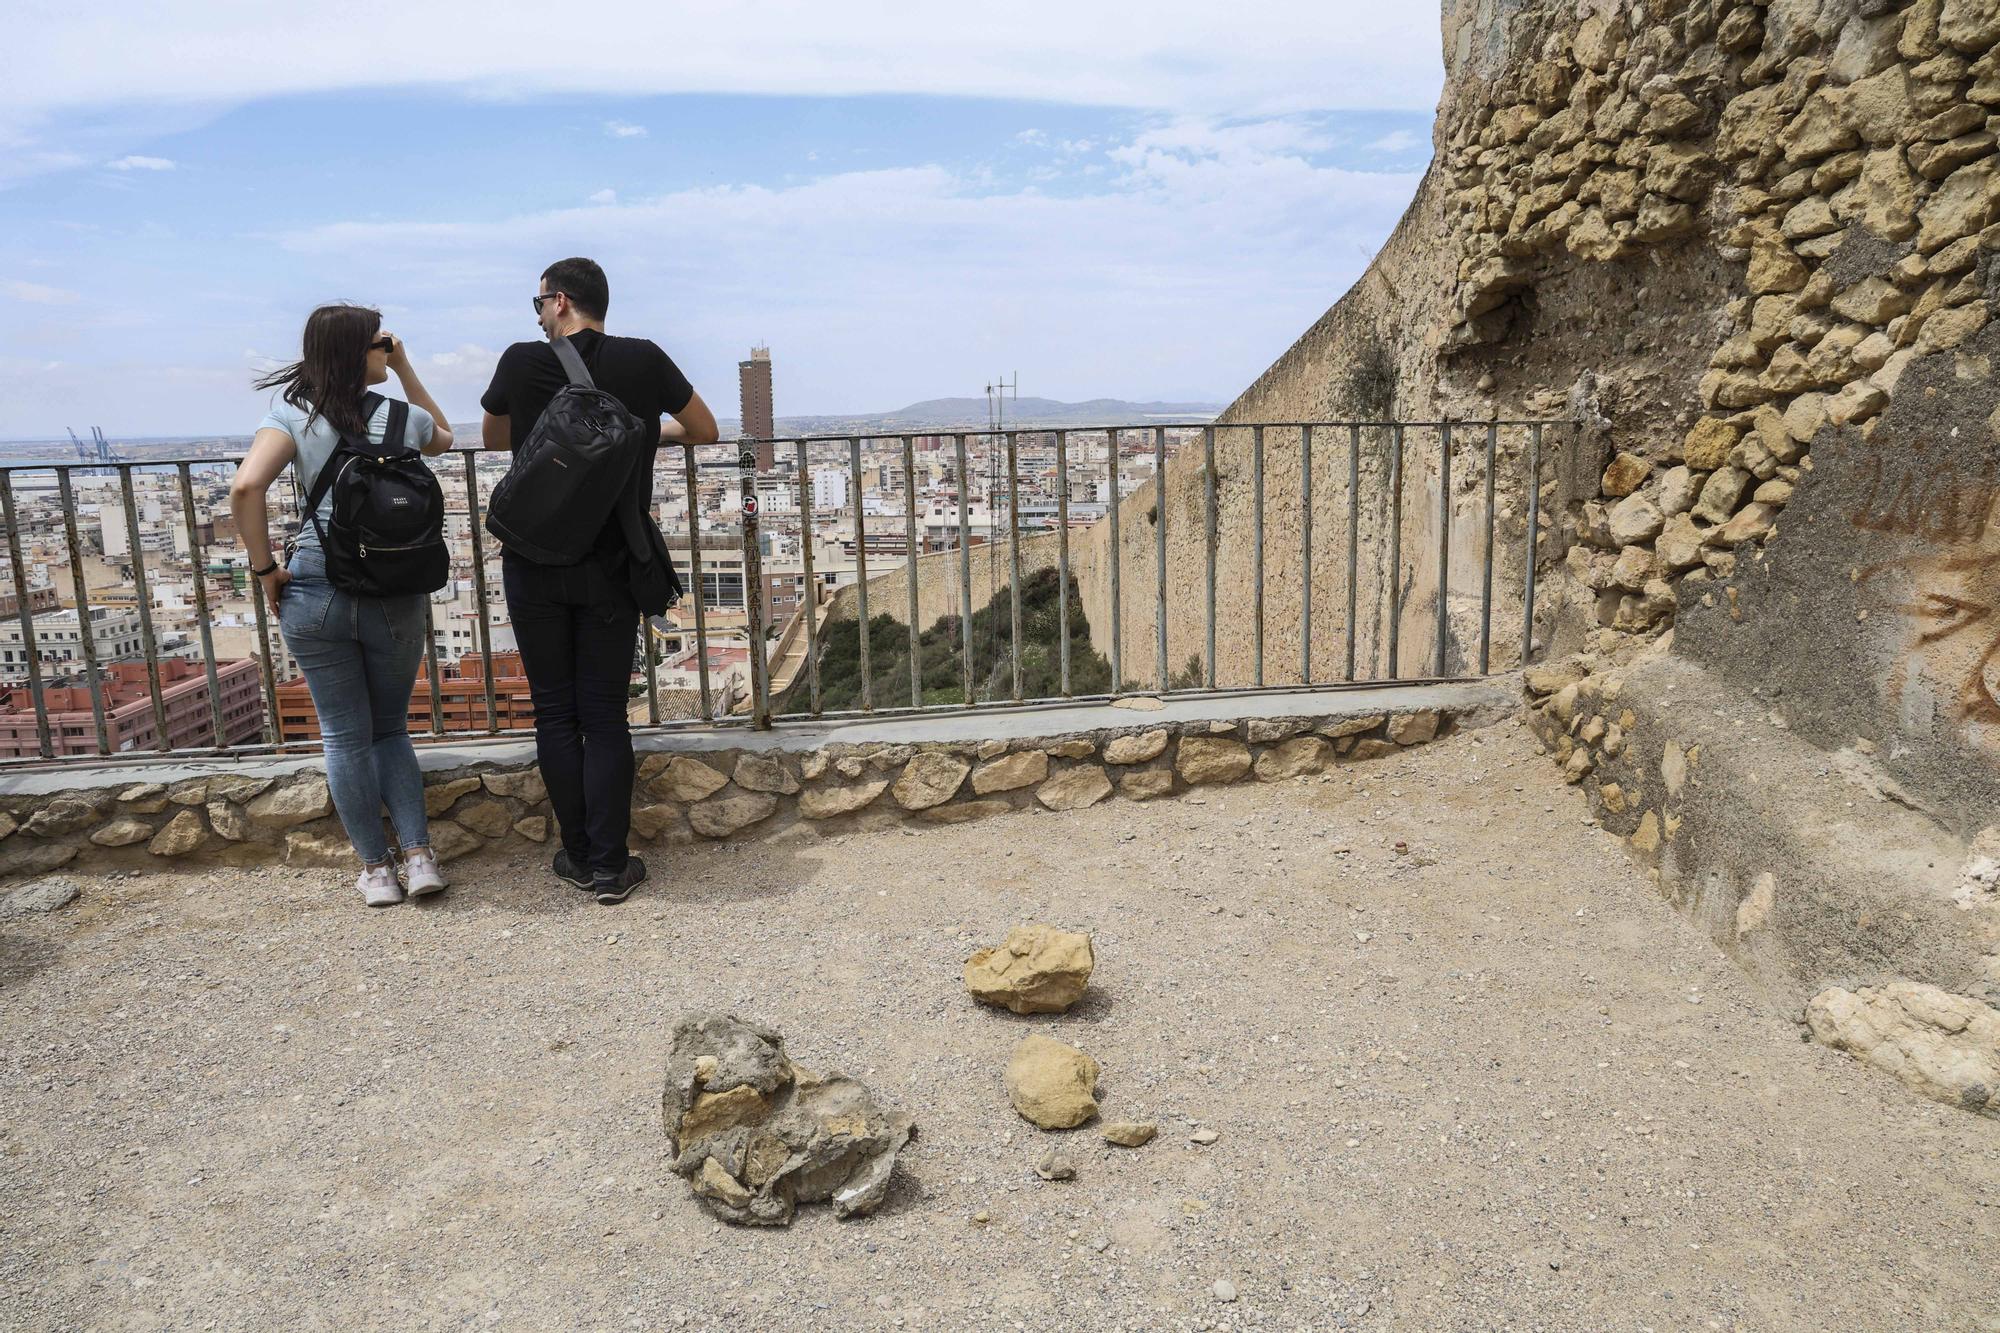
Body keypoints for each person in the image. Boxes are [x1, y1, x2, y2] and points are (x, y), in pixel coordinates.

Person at [480, 258, 718, 904]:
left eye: (537, 304)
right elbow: (704, 429)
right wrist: (635, 439)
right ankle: (613, 866)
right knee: (605, 715)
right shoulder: (644, 360)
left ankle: (578, 856)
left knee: (556, 712)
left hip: (533, 559)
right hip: (613, 561)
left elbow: (496, 436)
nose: (535, 316)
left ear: (559, 302)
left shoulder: (520, 361)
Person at [231, 304, 456, 907]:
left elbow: (247, 485)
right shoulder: (403, 419)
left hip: (315, 585)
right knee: (390, 730)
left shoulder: (293, 412)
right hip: (393, 590)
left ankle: (377, 872)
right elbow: (445, 438)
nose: (386, 349)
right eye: (379, 343)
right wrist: (406, 369)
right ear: (361, 351)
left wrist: (263, 570)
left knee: (344, 736)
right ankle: (421, 856)